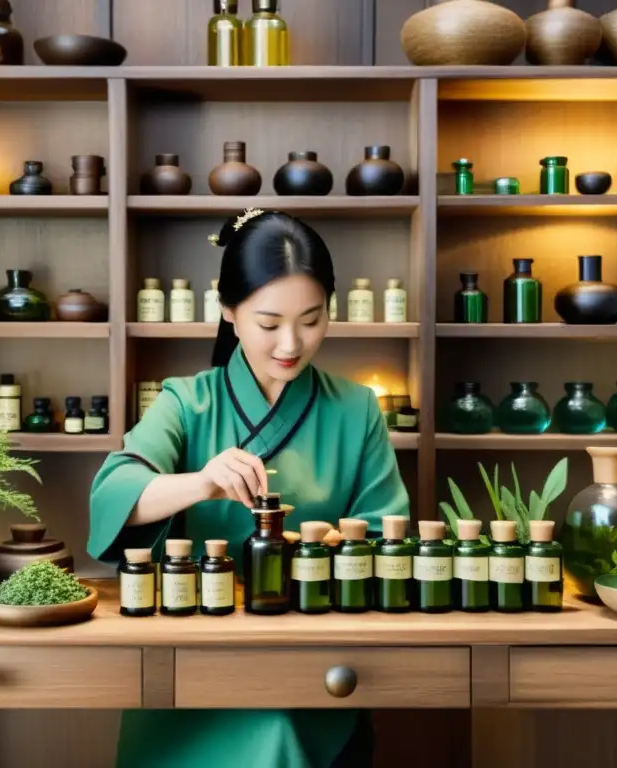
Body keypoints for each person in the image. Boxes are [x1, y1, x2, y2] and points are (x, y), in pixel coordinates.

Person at [87, 208, 411, 768]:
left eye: (312, 319)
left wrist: (337, 548)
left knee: (280, 728)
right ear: (230, 312)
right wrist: (201, 482)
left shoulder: (357, 409)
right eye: (269, 323)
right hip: (192, 652)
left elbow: (387, 533)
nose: (292, 342)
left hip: (311, 650)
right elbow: (114, 494)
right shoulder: (186, 401)